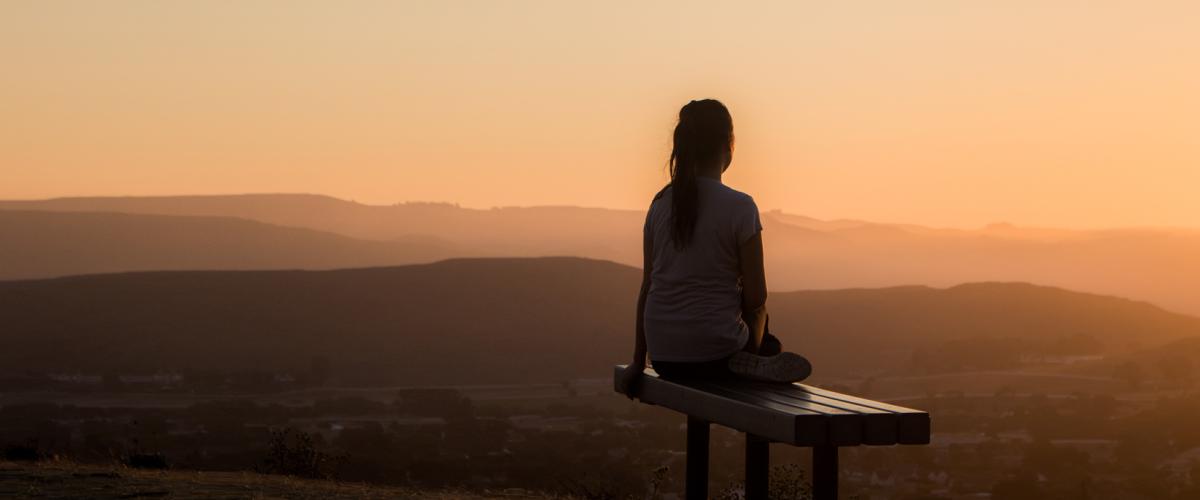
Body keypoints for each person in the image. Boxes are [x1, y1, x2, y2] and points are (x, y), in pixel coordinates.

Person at [618, 99, 811, 397]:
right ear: (728, 145)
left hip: (665, 358)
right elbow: (757, 297)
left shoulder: (659, 205)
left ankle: (755, 356)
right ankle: (759, 357)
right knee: (764, 324)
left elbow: (648, 288)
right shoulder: (740, 207)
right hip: (717, 356)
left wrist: (637, 362)